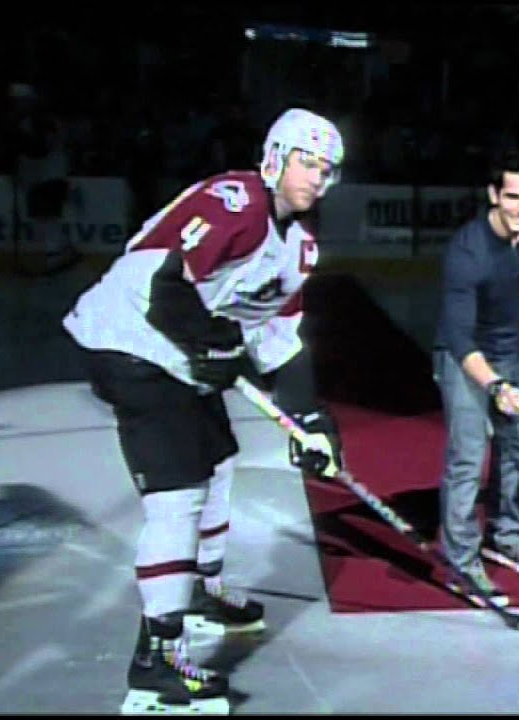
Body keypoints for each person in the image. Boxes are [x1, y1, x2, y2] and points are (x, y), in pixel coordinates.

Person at [62, 107, 347, 714]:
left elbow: (278, 338)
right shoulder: (236, 201)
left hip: (178, 354)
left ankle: (202, 589)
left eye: (326, 169)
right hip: (131, 345)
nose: (316, 177)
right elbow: (164, 283)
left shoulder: (300, 246)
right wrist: (207, 340)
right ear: (274, 158)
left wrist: (311, 418)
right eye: (307, 162)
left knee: (217, 463)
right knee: (179, 496)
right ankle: (156, 662)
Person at [432, 147, 519, 608]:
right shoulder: (467, 253)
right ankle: (461, 562)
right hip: (465, 359)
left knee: (515, 450)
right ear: (493, 195)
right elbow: (459, 339)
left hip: (511, 355)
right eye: (513, 196)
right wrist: (496, 387)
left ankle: (505, 534)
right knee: (468, 458)